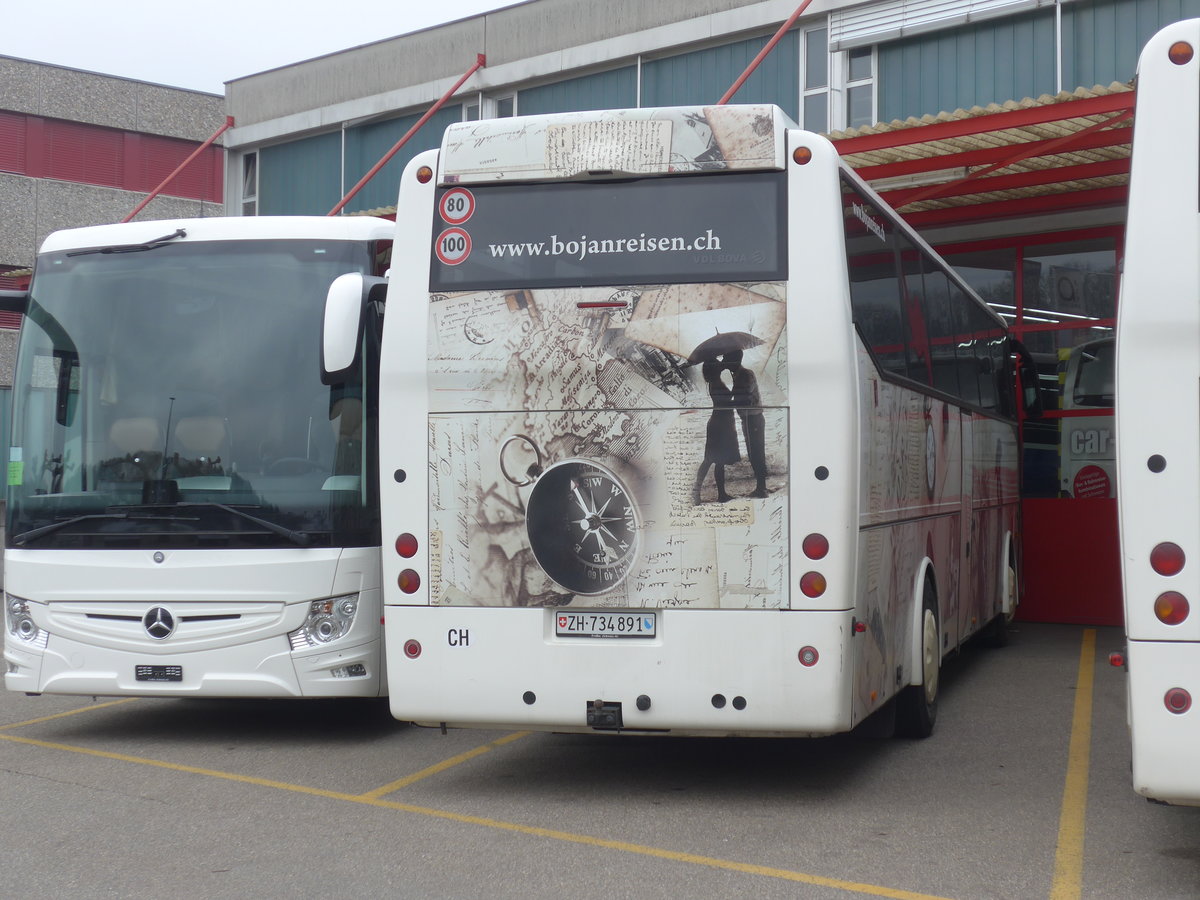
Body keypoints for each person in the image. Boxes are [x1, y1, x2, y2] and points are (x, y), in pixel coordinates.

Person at [724, 349, 769, 498]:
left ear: (734, 360)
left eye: (726, 359)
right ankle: (761, 487)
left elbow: (744, 396)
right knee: (752, 452)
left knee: (756, 452)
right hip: (748, 419)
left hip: (753, 419)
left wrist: (732, 398)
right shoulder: (738, 375)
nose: (725, 362)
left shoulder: (746, 374)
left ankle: (762, 488)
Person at [693, 358, 739, 503]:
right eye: (717, 364)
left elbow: (725, 401)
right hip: (720, 425)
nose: (721, 364)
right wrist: (736, 391)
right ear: (714, 368)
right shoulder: (716, 384)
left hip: (721, 424)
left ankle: (720, 494)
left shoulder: (715, 382)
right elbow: (725, 403)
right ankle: (697, 493)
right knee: (709, 460)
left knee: (718, 461)